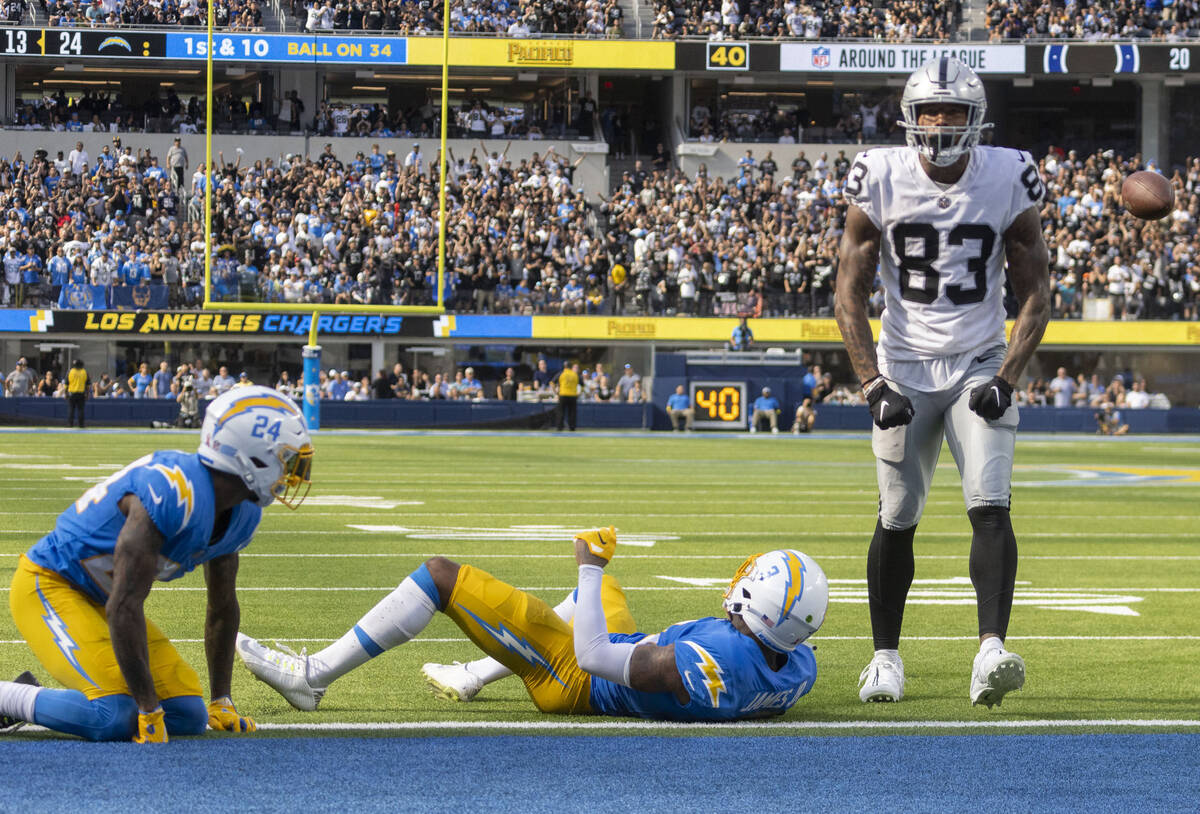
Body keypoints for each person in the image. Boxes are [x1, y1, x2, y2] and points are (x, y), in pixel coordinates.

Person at [833, 57, 1051, 708]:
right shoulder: (879, 175)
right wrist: (873, 384)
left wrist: (1007, 379)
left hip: (979, 358)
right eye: (930, 111)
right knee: (897, 516)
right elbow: (849, 293)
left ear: (976, 119)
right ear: (910, 117)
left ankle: (990, 652)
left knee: (991, 502)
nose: (939, 124)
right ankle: (885, 661)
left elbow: (1038, 291)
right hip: (902, 365)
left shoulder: (1010, 175)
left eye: (952, 112)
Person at [235, 529, 828, 722]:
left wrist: (590, 568)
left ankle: (313, 676)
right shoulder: (798, 665)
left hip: (575, 679)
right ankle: (473, 675)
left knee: (441, 575)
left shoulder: (708, 657)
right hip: (636, 657)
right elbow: (721, 660)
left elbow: (595, 654)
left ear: (757, 606)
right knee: (611, 598)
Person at [0, 386, 314, 742]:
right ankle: (9, 697)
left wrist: (220, 699)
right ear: (250, 458)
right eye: (286, 459)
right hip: (51, 584)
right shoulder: (171, 492)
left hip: (105, 599)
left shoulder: (243, 514)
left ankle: (54, 701)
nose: (292, 472)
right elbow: (123, 606)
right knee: (113, 716)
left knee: (187, 714)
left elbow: (222, 606)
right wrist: (148, 709)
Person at [555, 362, 581, 431]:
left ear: (564, 366)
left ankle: (559, 428)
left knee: (561, 412)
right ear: (571, 367)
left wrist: (556, 393)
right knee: (572, 413)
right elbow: (582, 385)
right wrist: (579, 393)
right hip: (573, 395)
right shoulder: (575, 374)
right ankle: (572, 427)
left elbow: (552, 382)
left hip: (563, 394)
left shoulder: (561, 373)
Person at [67, 359, 88, 429]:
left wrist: (65, 393)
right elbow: (87, 385)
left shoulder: (70, 371)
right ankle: (81, 425)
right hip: (81, 393)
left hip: (72, 393)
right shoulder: (84, 372)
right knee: (81, 410)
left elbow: (66, 384)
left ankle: (70, 424)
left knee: (71, 409)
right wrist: (87, 394)